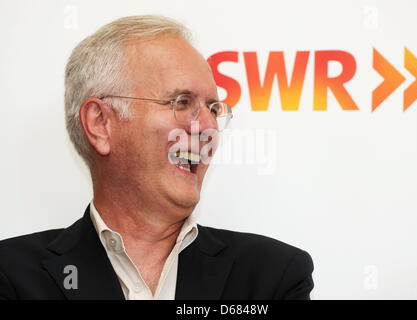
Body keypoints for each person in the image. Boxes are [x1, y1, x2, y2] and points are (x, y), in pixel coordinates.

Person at [0, 15, 313, 300]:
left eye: (213, 108)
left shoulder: (271, 276)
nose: (208, 127)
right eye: (181, 101)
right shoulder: (12, 276)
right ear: (100, 124)